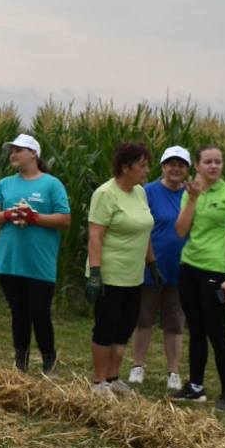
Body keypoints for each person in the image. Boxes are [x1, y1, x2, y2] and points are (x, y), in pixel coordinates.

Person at [0, 133, 71, 376]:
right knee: (19, 313)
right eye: (11, 150)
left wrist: (34, 217)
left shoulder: (52, 184)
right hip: (10, 261)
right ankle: (20, 364)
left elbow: (65, 219)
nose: (13, 154)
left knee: (40, 313)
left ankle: (48, 364)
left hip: (39, 263)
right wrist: (8, 215)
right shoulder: (5, 184)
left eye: (19, 150)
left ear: (33, 154)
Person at [173, 144, 225, 411]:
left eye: (218, 161)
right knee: (196, 329)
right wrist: (192, 198)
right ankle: (195, 387)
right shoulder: (191, 192)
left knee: (216, 331)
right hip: (190, 267)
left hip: (217, 271)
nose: (214, 166)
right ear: (198, 165)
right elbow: (181, 231)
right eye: (208, 162)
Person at [86, 141, 156, 396]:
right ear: (126, 168)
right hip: (110, 274)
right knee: (106, 327)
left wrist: (152, 263)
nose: (147, 170)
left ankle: (114, 377)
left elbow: (144, 228)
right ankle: (98, 381)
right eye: (142, 165)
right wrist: (95, 274)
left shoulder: (140, 192)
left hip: (134, 275)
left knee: (125, 327)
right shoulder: (106, 194)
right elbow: (96, 236)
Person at [127, 145, 191, 392]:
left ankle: (173, 371)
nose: (176, 169)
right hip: (150, 267)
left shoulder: (192, 195)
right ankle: (138, 365)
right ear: (163, 167)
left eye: (181, 165)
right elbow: (142, 225)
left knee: (174, 323)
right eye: (171, 164)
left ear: (186, 169)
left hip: (181, 269)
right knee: (143, 318)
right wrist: (148, 261)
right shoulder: (148, 191)